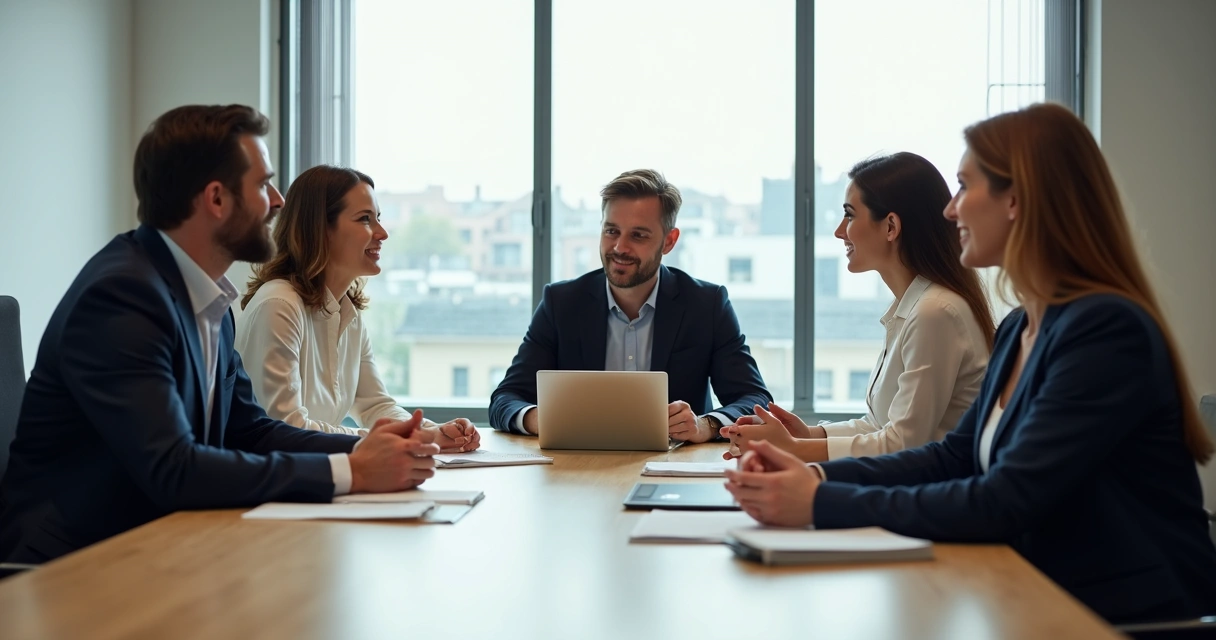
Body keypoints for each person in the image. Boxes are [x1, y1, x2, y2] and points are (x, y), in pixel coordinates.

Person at [723, 103, 1216, 623]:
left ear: (1016, 201)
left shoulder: (1105, 331)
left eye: (963, 186)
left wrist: (819, 501)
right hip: (1039, 595)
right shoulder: (1020, 326)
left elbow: (1005, 499)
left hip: (1130, 618)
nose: (950, 211)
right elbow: (951, 458)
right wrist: (817, 475)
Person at [0, 105, 439, 564]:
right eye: (263, 185)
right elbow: (174, 468)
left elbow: (250, 431)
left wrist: (368, 448)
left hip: (155, 543)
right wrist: (351, 471)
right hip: (65, 563)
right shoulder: (122, 295)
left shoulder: (209, 301)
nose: (278, 201)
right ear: (216, 199)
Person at [721, 153, 994, 462]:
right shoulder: (915, 306)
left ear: (890, 226)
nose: (840, 231)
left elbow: (903, 443)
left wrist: (793, 448)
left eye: (849, 216)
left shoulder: (935, 312)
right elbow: (879, 426)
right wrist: (806, 434)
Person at [489, 169, 771, 441]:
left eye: (638, 235)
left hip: (674, 464)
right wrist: (540, 419)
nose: (619, 248)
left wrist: (705, 425)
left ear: (669, 241)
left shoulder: (706, 305)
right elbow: (506, 399)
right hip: (578, 466)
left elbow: (755, 400)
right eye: (612, 231)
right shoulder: (561, 303)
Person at [235, 165, 479, 452]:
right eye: (365, 219)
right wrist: (400, 440)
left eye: (378, 218)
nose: (382, 233)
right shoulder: (279, 305)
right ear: (320, 229)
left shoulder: (346, 311)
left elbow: (374, 404)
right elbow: (287, 429)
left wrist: (432, 431)